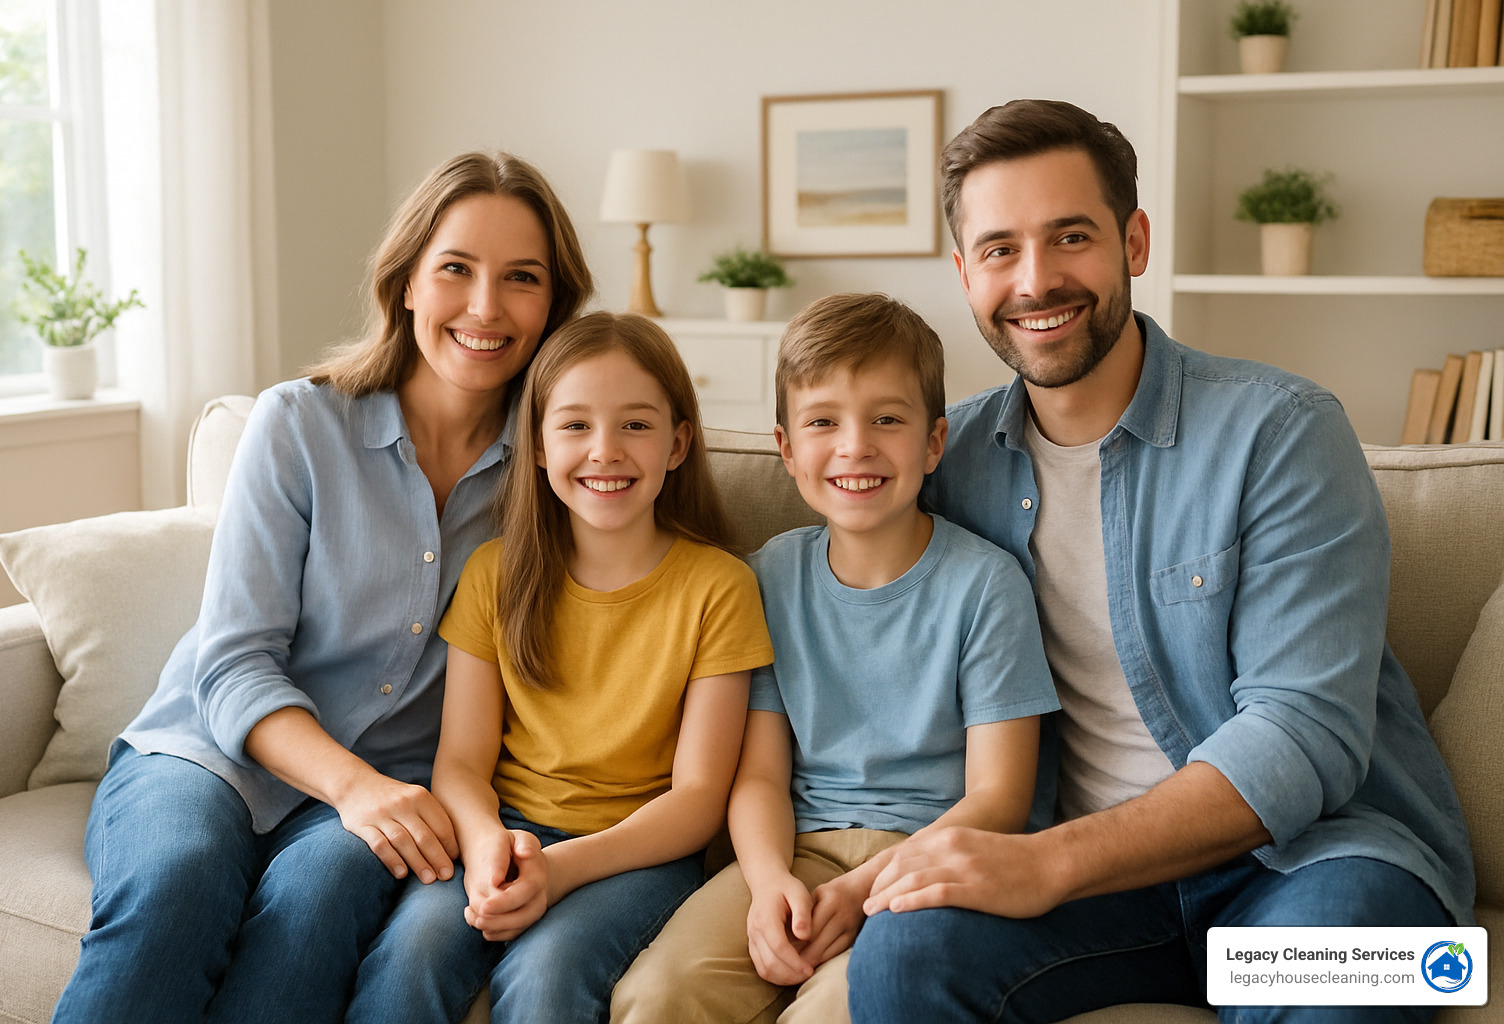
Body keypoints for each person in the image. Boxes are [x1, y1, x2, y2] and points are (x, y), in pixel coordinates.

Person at [845, 99, 1475, 1024]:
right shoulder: (949, 460)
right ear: (963, 273)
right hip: (1102, 905)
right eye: (999, 250)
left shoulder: (1284, 430)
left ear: (1134, 241)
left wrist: (1046, 862)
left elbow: (1306, 735)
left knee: (1351, 970)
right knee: (903, 955)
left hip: (1317, 868)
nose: (1035, 280)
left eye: (1071, 236)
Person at [49, 151, 592, 1024]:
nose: (486, 307)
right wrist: (353, 787)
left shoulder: (561, 469)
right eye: (456, 269)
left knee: (311, 917)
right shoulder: (298, 424)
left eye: (521, 279)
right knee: (177, 884)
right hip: (211, 752)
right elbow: (233, 662)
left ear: (554, 305)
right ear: (408, 282)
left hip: (399, 786)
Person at [611, 292, 1059, 1024]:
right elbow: (758, 774)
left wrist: (859, 893)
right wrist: (765, 886)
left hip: (931, 856)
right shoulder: (767, 578)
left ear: (934, 442)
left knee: (834, 1012)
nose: (855, 446)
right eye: (823, 422)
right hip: (796, 849)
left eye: (887, 418)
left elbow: (1000, 800)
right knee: (657, 996)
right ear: (787, 449)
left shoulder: (987, 585)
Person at [345, 311, 774, 1024]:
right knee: (411, 956)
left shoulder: (720, 588)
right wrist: (486, 844)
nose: (604, 451)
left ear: (678, 444)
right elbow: (459, 761)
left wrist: (563, 867)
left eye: (635, 425)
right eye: (574, 425)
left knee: (549, 977)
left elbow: (699, 799)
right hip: (504, 828)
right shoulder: (494, 574)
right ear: (537, 448)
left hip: (637, 853)